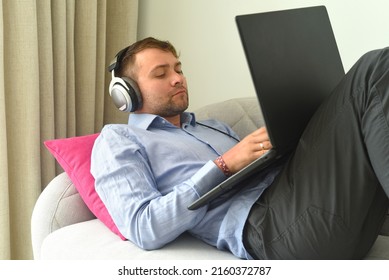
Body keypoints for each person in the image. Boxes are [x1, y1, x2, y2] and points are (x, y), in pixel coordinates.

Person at [91, 37, 389, 259]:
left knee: (378, 77)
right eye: (161, 74)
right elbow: (144, 227)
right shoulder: (118, 140)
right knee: (374, 67)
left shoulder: (212, 126)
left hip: (311, 203)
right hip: (272, 229)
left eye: (178, 69)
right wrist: (224, 164)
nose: (178, 78)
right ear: (125, 93)